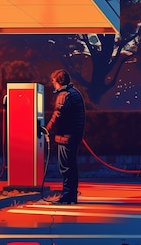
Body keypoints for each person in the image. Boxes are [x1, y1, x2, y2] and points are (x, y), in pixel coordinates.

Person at [44, 69, 85, 204]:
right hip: (74, 135)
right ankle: (71, 195)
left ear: (59, 82)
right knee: (72, 167)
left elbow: (58, 116)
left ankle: (67, 196)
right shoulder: (75, 93)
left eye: (54, 81)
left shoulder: (64, 95)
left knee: (65, 167)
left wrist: (46, 129)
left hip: (66, 136)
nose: (53, 84)